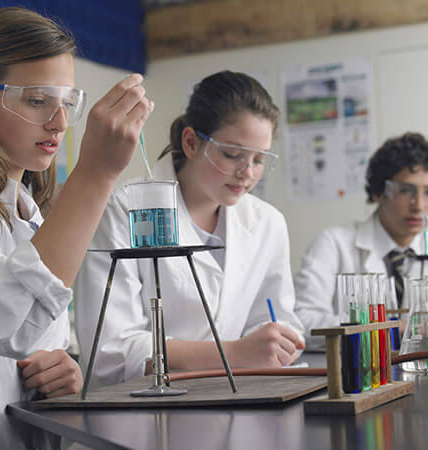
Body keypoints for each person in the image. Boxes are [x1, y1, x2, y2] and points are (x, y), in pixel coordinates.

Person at [0, 7, 153, 449]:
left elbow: (33, 339)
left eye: (66, 103)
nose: (60, 123)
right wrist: (96, 174)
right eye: (38, 100)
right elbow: (8, 326)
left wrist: (65, 370)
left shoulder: (32, 214)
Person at [74, 70, 305, 388]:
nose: (247, 173)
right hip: (144, 413)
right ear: (192, 142)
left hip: (240, 400)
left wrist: (279, 344)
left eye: (259, 159)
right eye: (233, 154)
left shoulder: (268, 223)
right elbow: (110, 352)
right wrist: (234, 353)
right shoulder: (123, 209)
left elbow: (275, 321)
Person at [294, 132, 428, 350]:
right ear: (379, 192)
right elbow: (302, 320)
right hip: (353, 373)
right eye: (405, 191)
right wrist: (389, 331)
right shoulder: (334, 244)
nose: (418, 205)